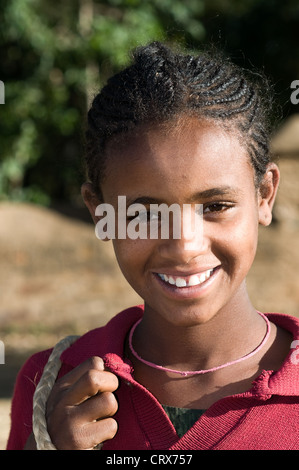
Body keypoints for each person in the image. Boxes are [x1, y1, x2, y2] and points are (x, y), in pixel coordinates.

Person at [7, 41, 299, 450]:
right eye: (143, 215)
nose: (184, 246)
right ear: (100, 212)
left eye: (215, 206)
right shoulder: (56, 383)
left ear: (265, 196)